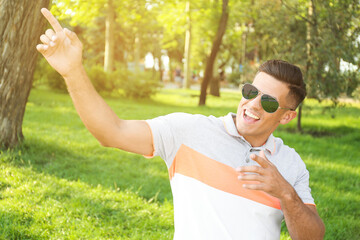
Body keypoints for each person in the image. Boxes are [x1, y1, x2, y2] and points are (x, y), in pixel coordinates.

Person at [36, 8, 325, 240]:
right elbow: (112, 132)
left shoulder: (290, 165)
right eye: (251, 92)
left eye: (269, 102)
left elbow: (312, 237)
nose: (252, 104)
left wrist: (286, 193)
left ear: (286, 116)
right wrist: (73, 71)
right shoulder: (189, 131)